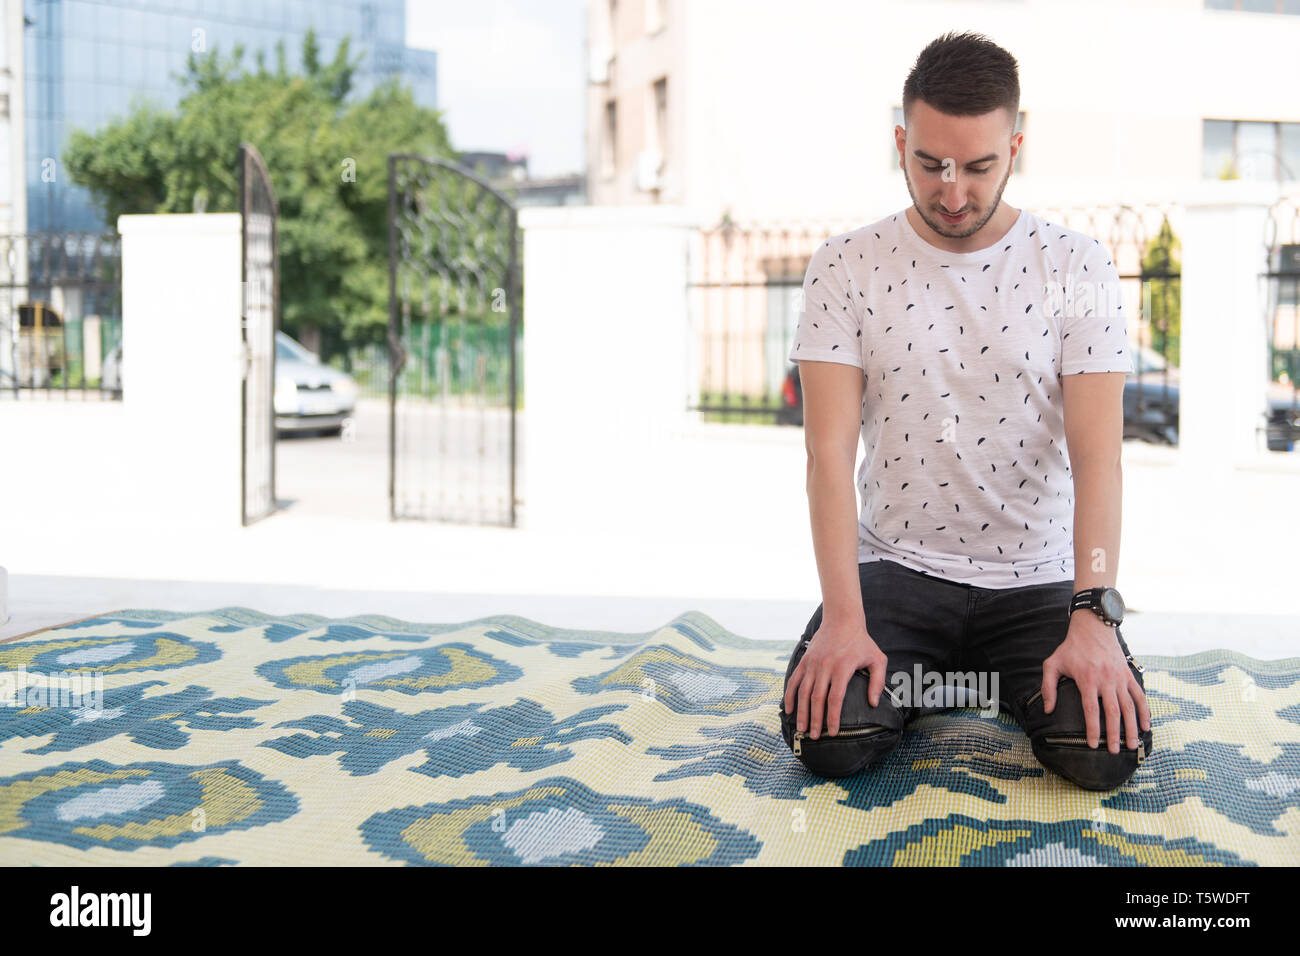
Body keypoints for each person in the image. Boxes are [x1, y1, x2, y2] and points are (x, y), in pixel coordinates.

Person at [779, 30, 1153, 791]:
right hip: (897, 572)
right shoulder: (845, 266)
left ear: (1016, 146)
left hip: (1039, 581)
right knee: (832, 739)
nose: (953, 191)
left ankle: (965, 685)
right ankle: (990, 687)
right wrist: (843, 621)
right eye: (930, 163)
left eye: (979, 167)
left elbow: (1099, 460)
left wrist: (1094, 619)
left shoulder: (1076, 266)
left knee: (1102, 753)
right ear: (900, 141)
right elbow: (825, 459)